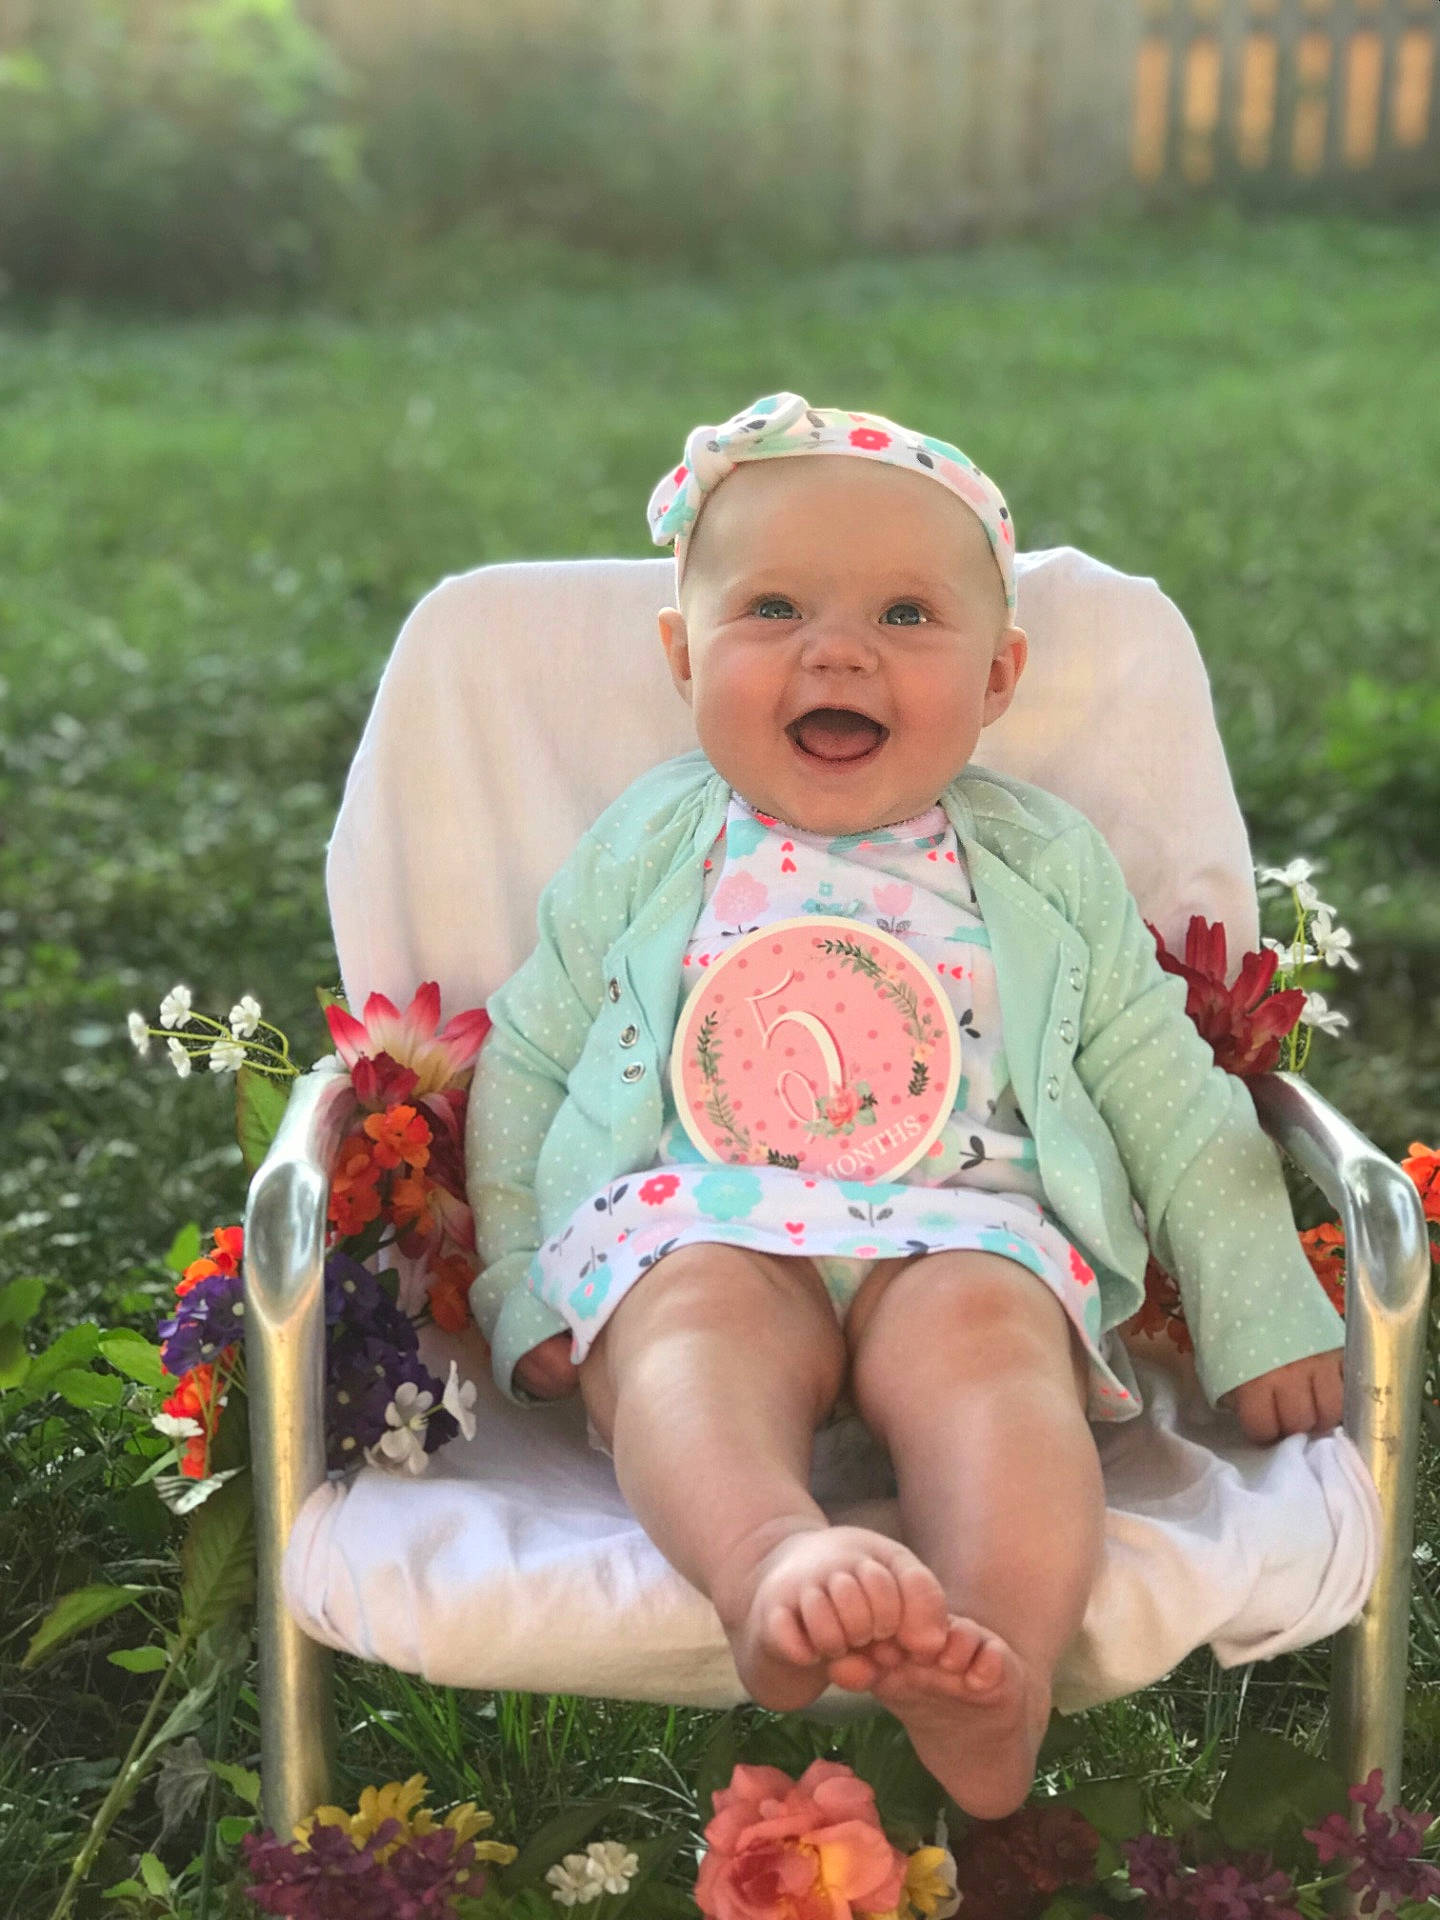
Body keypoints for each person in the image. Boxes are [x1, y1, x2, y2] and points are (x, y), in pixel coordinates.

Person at [464, 392, 1345, 1819]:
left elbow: (1160, 1084)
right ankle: (771, 1565)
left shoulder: (1044, 863)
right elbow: (528, 1059)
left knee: (997, 1363)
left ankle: (991, 1662)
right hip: (710, 1214)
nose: (838, 649)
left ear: (997, 680)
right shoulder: (645, 845)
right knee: (684, 1325)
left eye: (906, 619)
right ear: (683, 657)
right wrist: (518, 1280)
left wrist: (1258, 1303)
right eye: (772, 609)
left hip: (963, 1223)